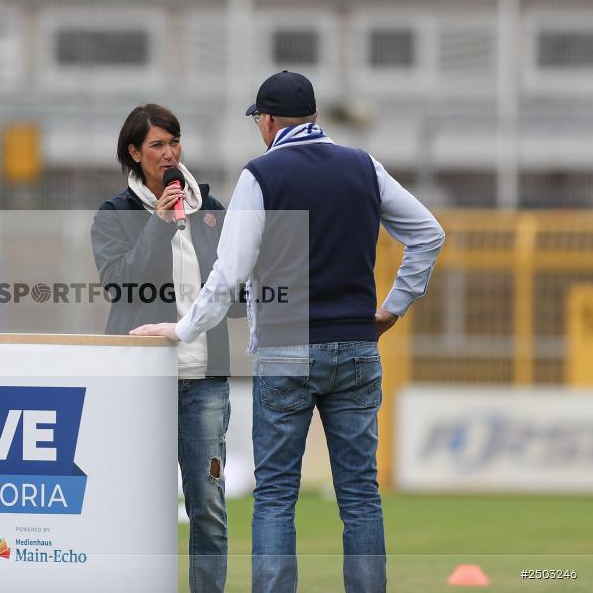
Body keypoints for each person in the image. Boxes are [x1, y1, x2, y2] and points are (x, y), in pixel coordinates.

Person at [130, 72, 445, 593]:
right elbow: (427, 234)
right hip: (358, 347)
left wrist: (184, 328)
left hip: (286, 350)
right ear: (315, 116)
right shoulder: (364, 166)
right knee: (361, 496)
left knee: (276, 496)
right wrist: (392, 308)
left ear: (269, 121)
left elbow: (228, 274)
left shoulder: (262, 175)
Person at [90, 104, 245, 593]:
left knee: (209, 507)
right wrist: (158, 223)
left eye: (174, 142)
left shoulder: (213, 212)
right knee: (141, 504)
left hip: (205, 382)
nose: (169, 153)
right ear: (134, 153)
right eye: (156, 145)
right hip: (142, 382)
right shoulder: (114, 215)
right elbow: (122, 285)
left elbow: (234, 300)